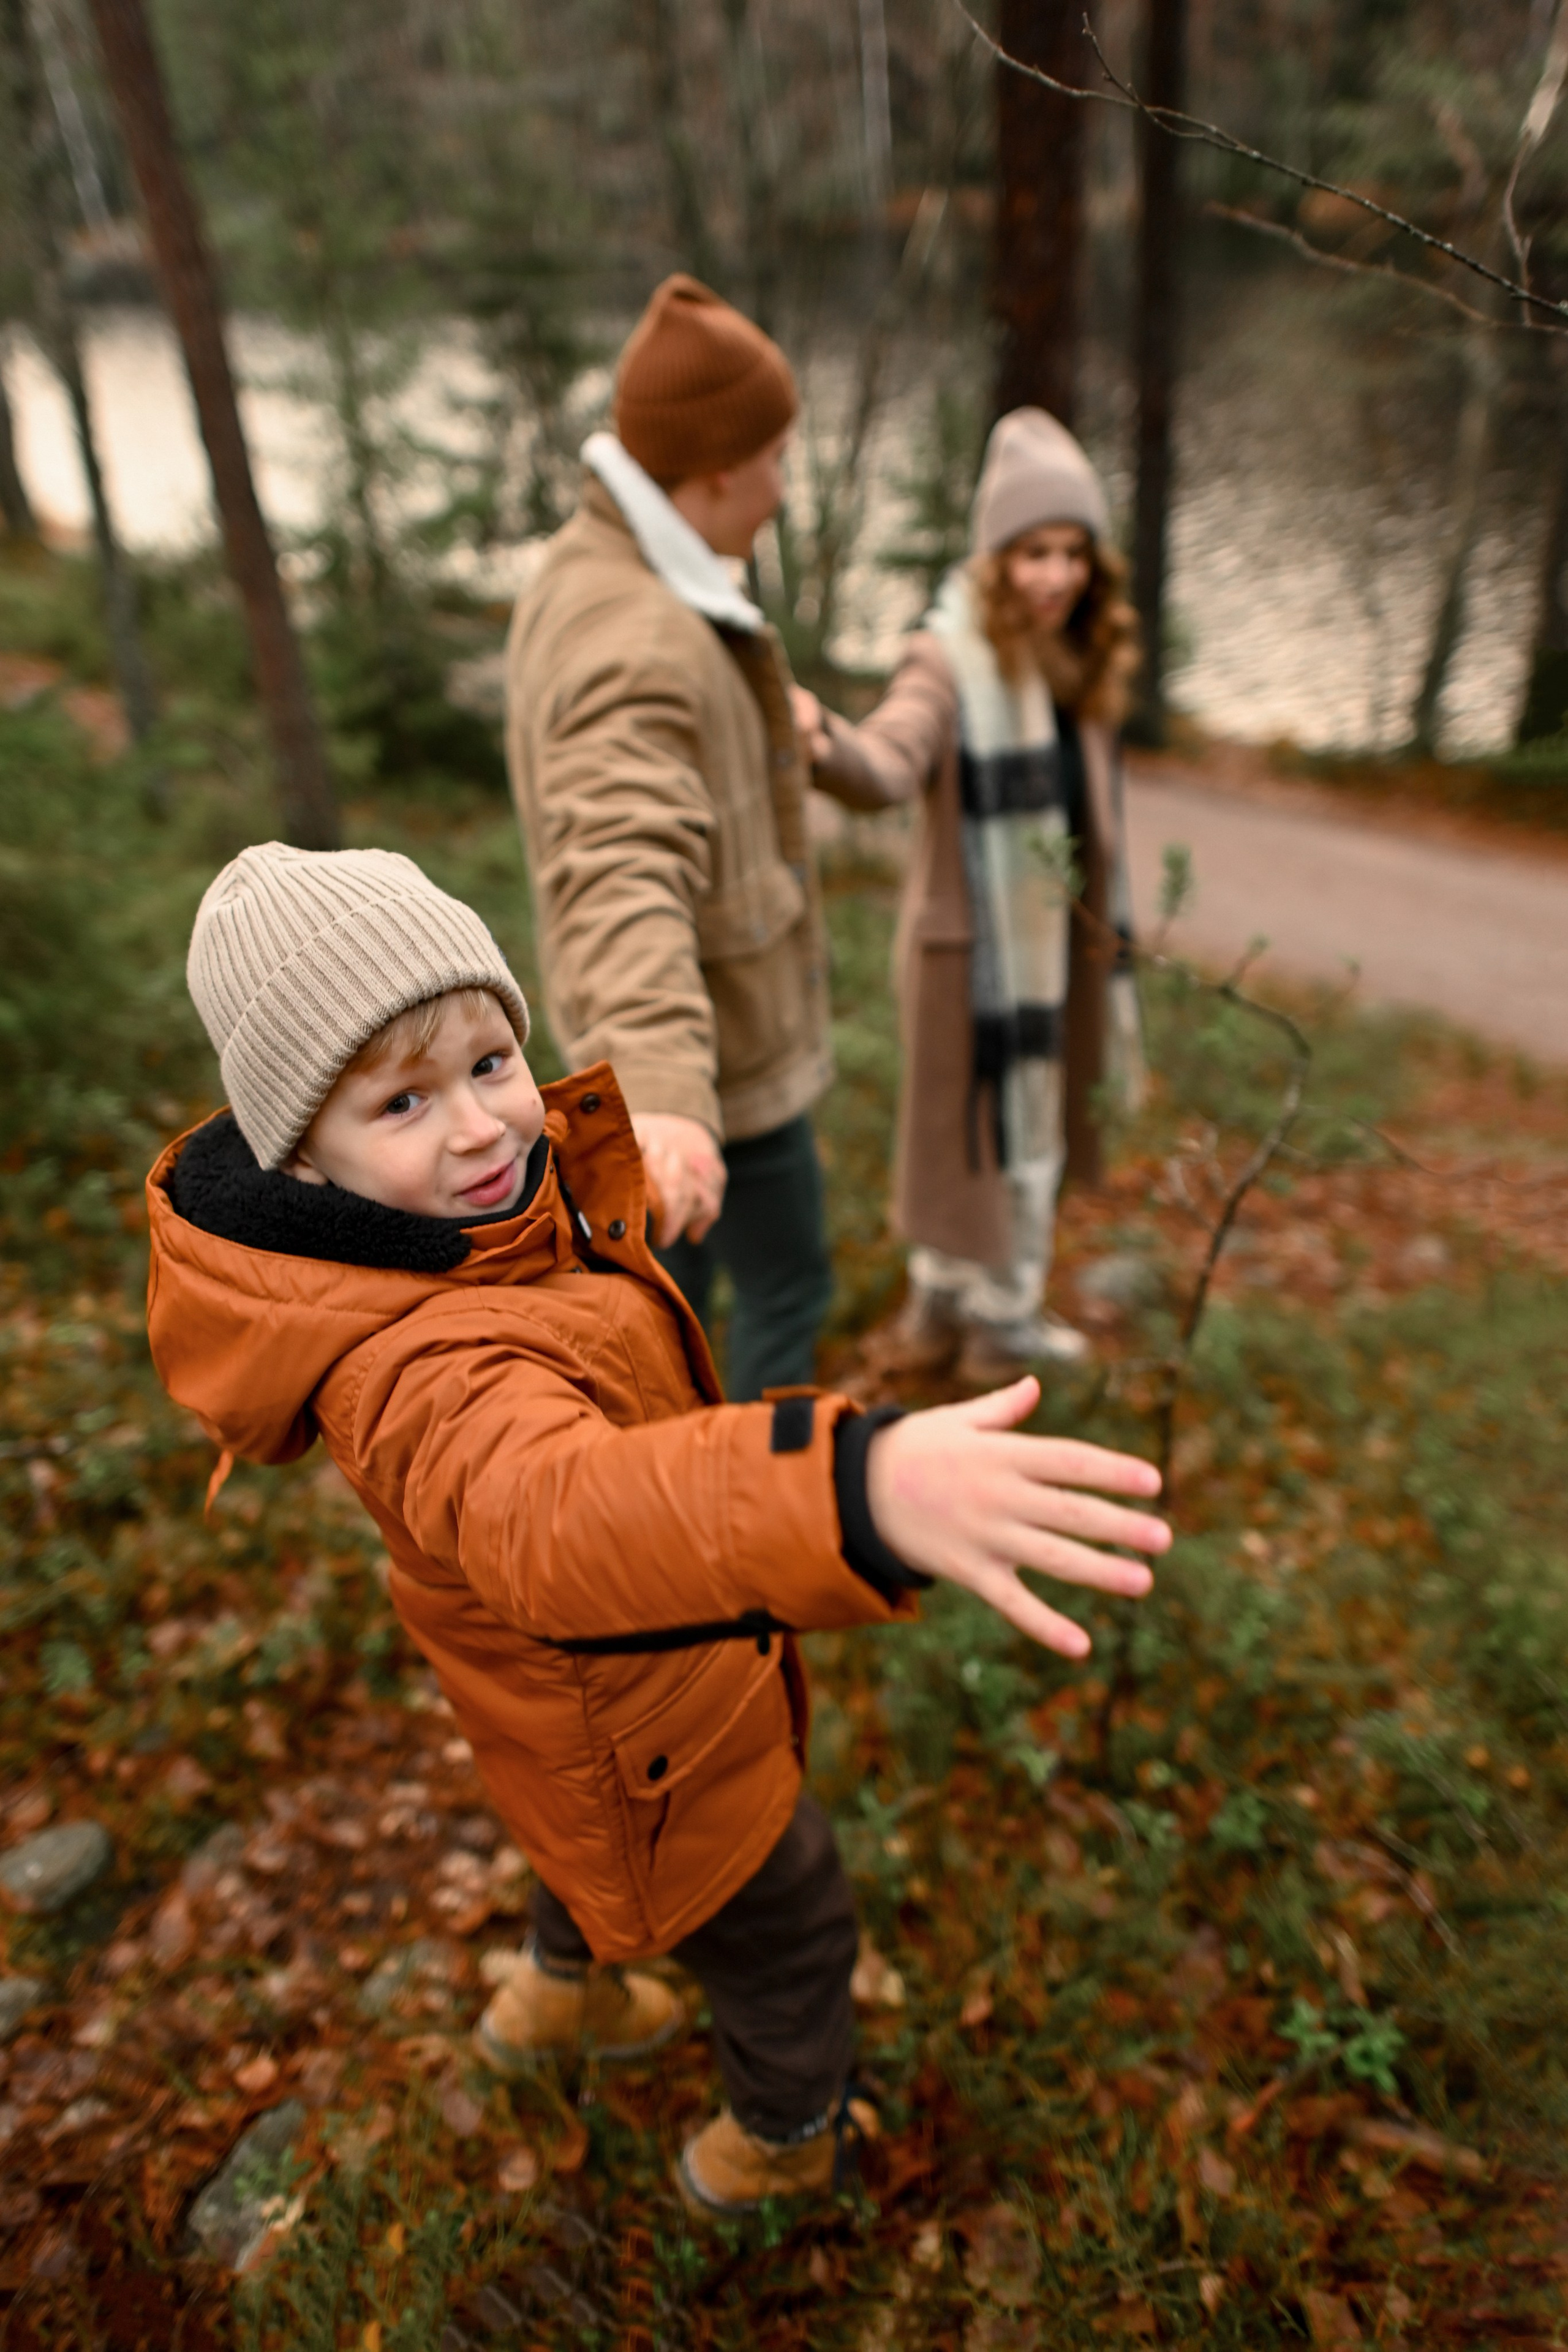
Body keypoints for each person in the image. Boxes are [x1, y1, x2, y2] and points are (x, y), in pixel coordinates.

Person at [146, 843, 1170, 2215]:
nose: (482, 1128)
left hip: (569, 1711)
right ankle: (780, 2143)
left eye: (491, 1062)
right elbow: (557, 1515)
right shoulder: (414, 1369)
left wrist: (636, 1178)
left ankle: (554, 1999)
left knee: (568, 1822)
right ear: (305, 1166)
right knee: (789, 1919)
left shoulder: (460, 1226)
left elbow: (558, 1283)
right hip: (646, 1719)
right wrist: (850, 1490)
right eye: (402, 1100)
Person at [505, 273, 861, 1400]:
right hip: (710, 1072)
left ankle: (684, 1477)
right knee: (779, 1293)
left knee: (670, 1314)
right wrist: (660, 1094)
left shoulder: (594, 565)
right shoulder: (641, 636)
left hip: (674, 1063)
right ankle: (759, 1497)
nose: (784, 488)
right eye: (777, 458)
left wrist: (762, 725)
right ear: (715, 469)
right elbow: (619, 864)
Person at [798, 408, 1144, 1389]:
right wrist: (825, 742)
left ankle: (990, 1317)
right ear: (996, 559)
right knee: (970, 1141)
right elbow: (889, 758)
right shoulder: (947, 659)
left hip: (1057, 945)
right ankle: (960, 1313)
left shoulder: (1077, 660)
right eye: (1034, 553)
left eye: (1072, 553)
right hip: (975, 956)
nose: (1056, 576)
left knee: (1031, 1135)